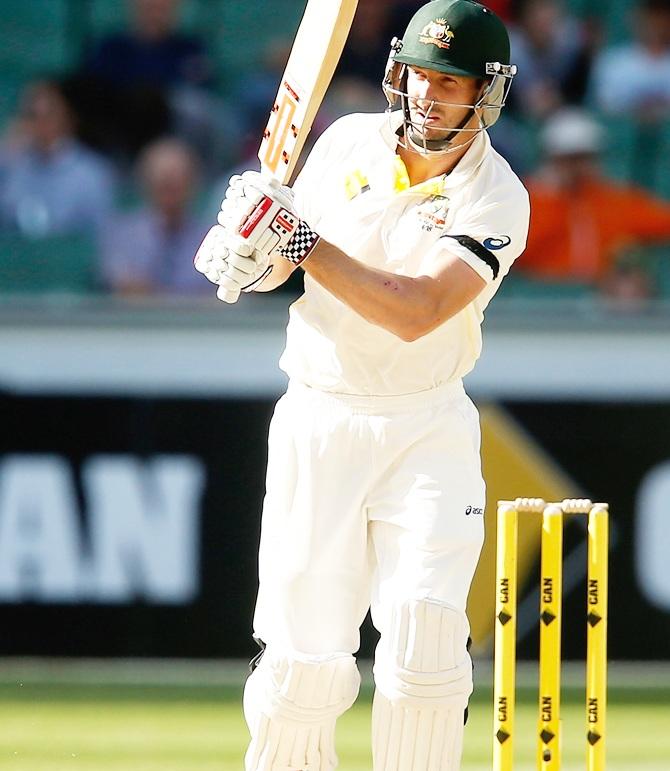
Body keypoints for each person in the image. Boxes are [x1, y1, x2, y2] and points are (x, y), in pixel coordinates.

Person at [195, 1, 529, 769]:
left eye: (451, 82)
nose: (429, 95)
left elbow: (417, 312)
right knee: (301, 666)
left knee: (425, 648)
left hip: (426, 428)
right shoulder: (345, 141)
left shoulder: (497, 196)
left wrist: (299, 244)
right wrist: (253, 257)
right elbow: (289, 260)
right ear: (397, 75)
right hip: (320, 414)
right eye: (419, 76)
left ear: (488, 92)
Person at [519, 107, 670, 293]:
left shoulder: (614, 200)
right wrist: (551, 197)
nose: (578, 167)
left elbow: (662, 222)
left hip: (599, 301)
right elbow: (518, 253)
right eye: (569, 159)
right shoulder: (529, 200)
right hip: (542, 299)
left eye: (585, 158)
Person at [0, 79, 115, 237]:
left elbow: (103, 236)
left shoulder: (93, 174)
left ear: (67, 118)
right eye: (32, 115)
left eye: (48, 115)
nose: (41, 124)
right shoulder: (11, 166)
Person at [101, 137, 207, 294]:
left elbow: (221, 298)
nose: (171, 191)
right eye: (163, 183)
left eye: (178, 182)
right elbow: (125, 290)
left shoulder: (213, 237)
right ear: (146, 183)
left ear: (193, 183)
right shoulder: (121, 235)